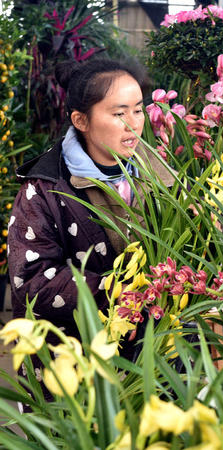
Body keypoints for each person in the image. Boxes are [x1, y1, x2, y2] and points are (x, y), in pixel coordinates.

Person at [7, 58, 174, 368]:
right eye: (118, 113)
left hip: (156, 354)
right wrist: (120, 291)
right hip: (76, 360)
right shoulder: (43, 189)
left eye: (138, 110)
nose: (133, 123)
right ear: (81, 121)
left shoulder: (160, 174)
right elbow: (31, 280)